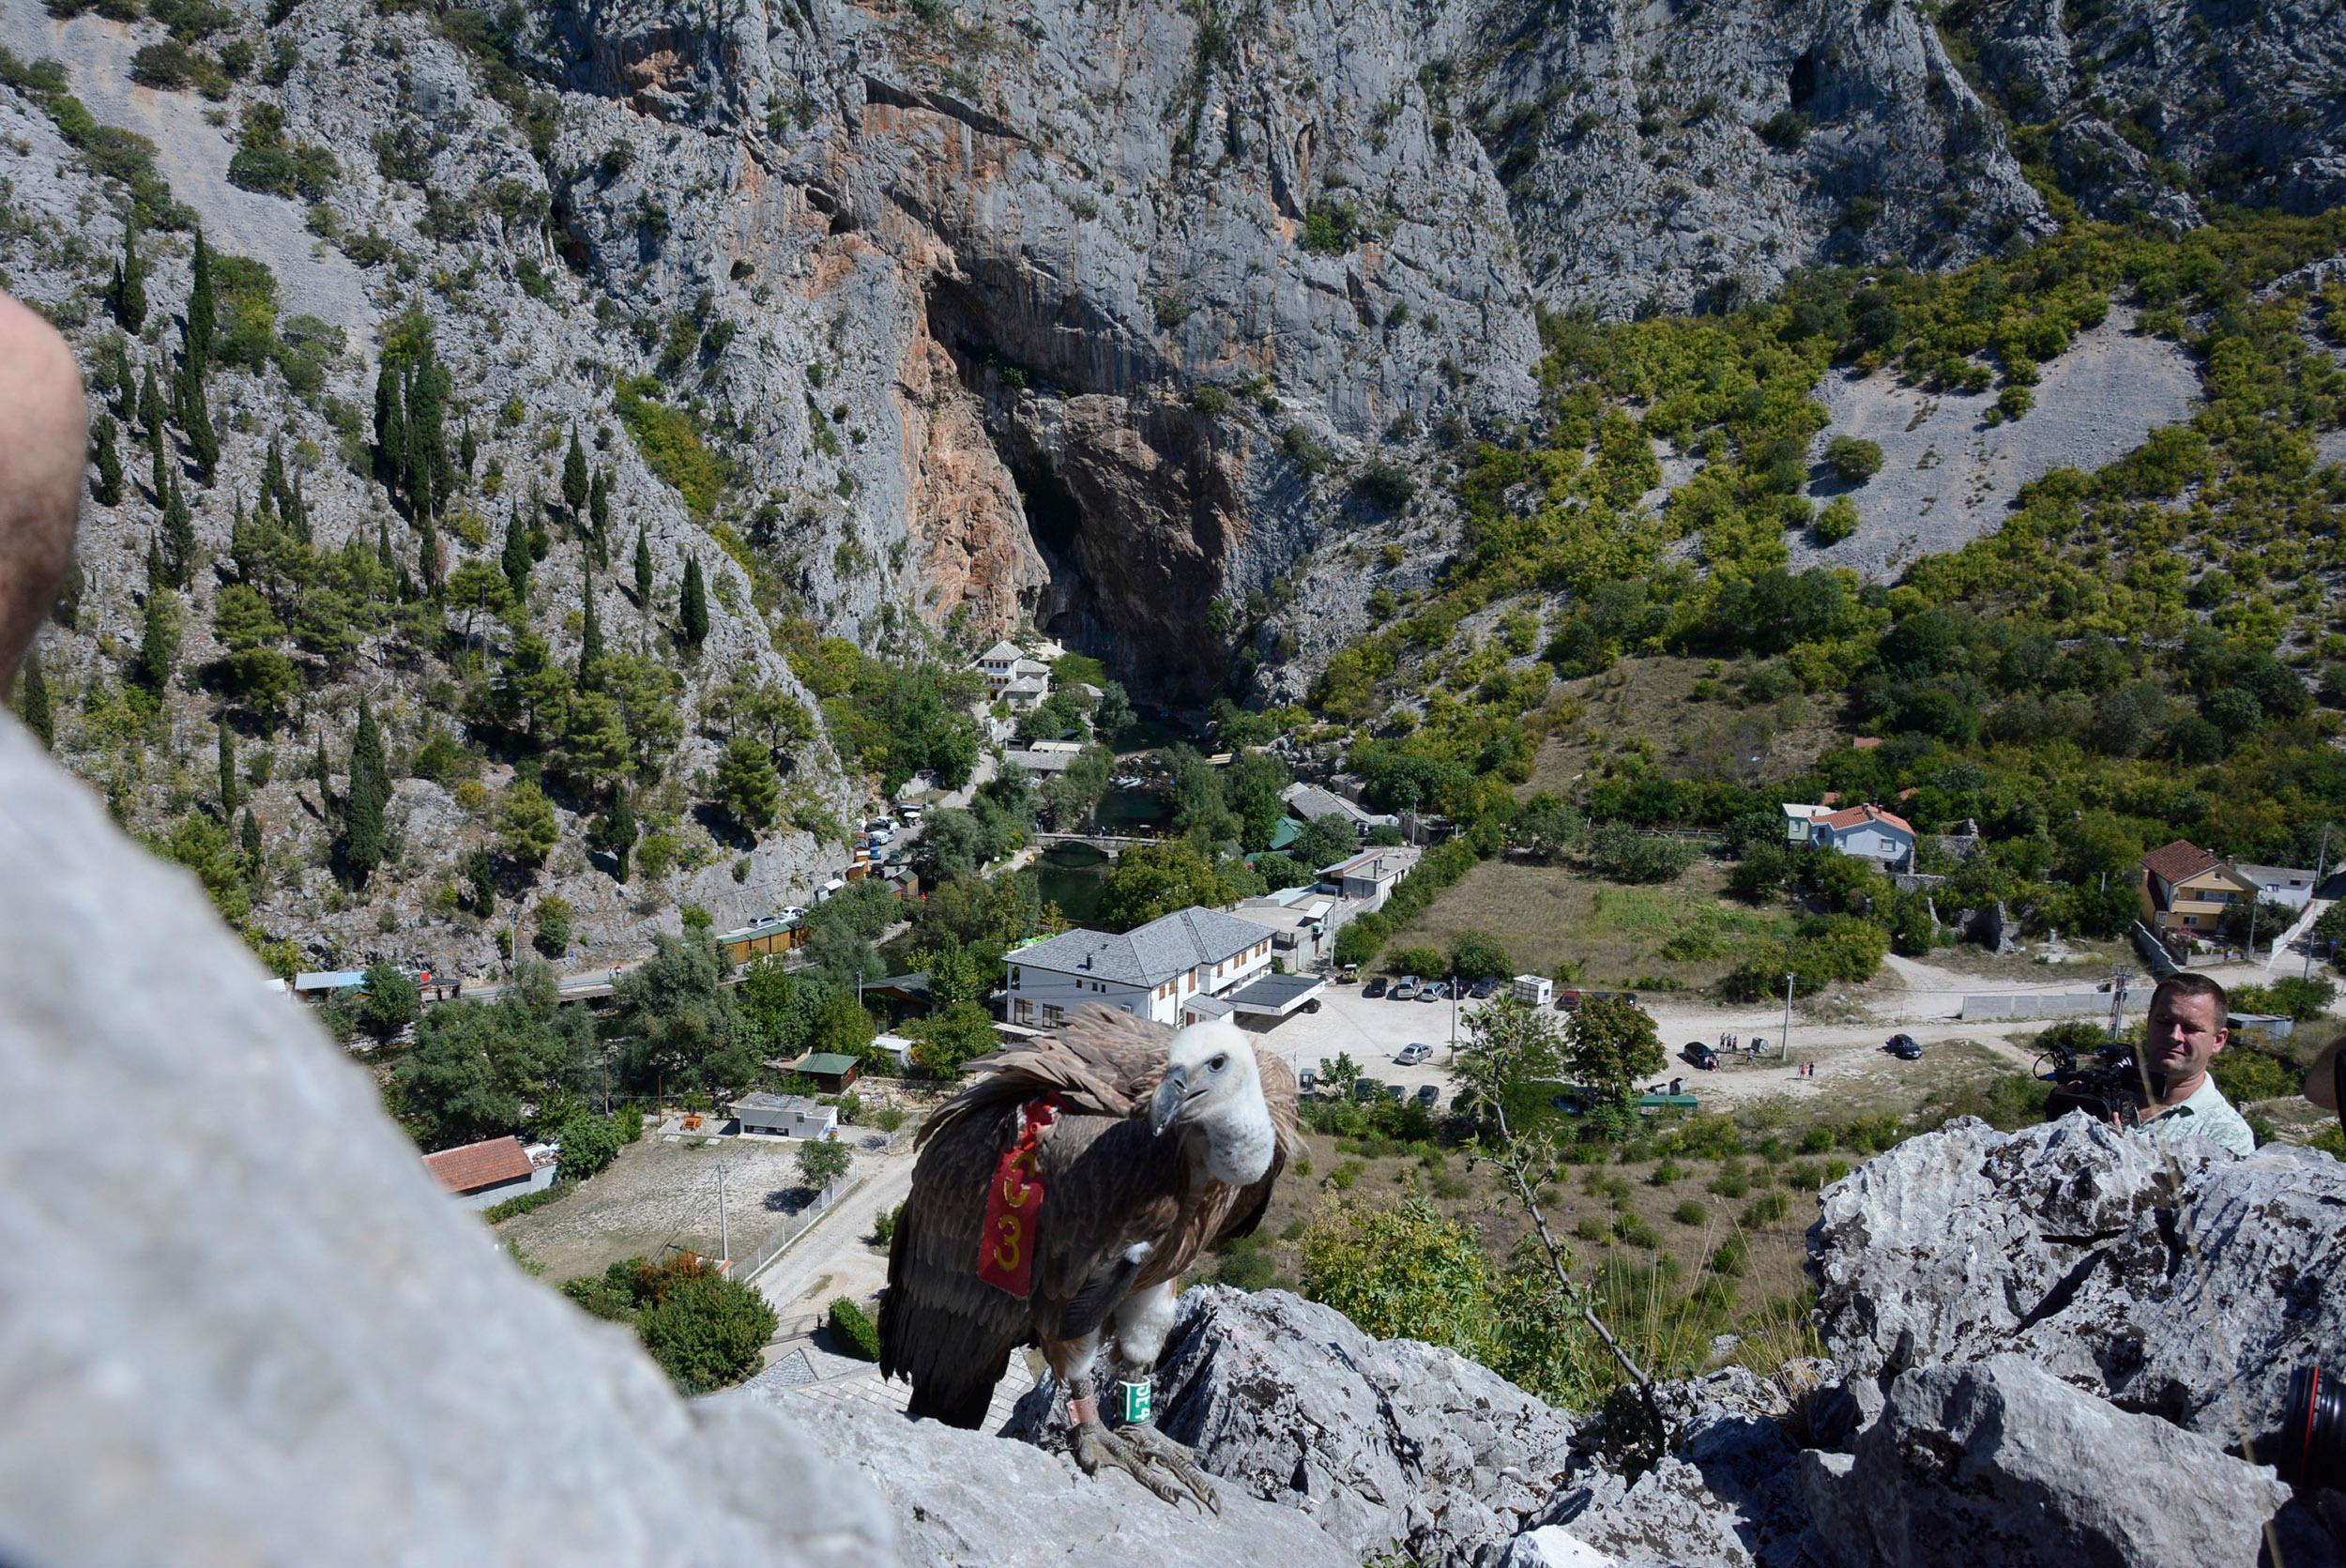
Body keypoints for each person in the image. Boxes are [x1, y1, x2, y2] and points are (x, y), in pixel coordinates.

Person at [2127, 972, 2256, 1155]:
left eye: (2191, 1028)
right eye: (2164, 1022)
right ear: (2149, 1022)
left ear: (2218, 1041)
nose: (2174, 1036)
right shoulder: (2105, 1087)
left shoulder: (2226, 1133)